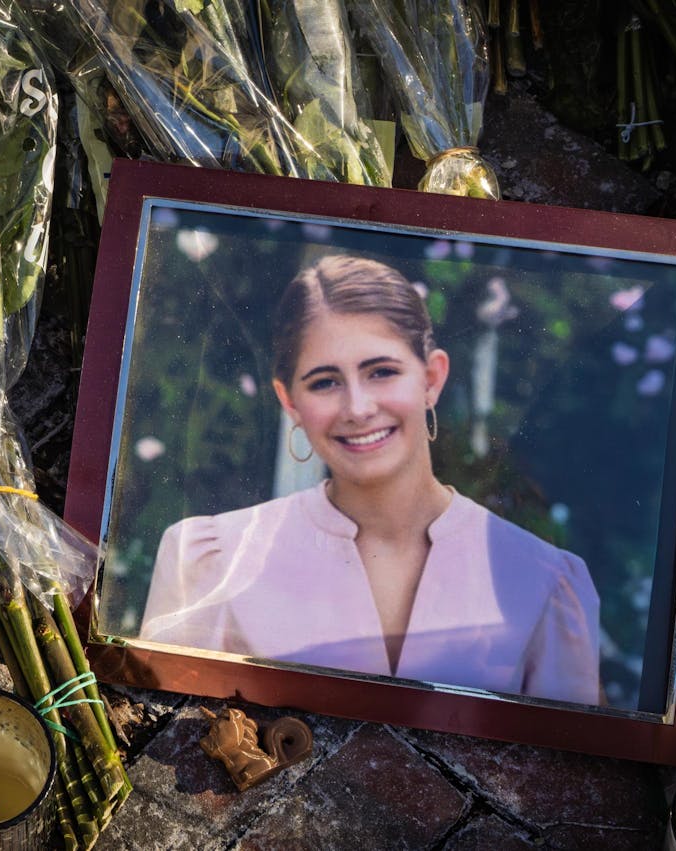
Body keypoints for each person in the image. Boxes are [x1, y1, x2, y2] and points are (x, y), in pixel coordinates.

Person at [141, 254, 600, 705]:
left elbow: (571, 772)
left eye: (381, 372)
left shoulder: (544, 584)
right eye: (324, 382)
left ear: (432, 378)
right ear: (290, 402)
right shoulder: (209, 561)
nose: (358, 408)